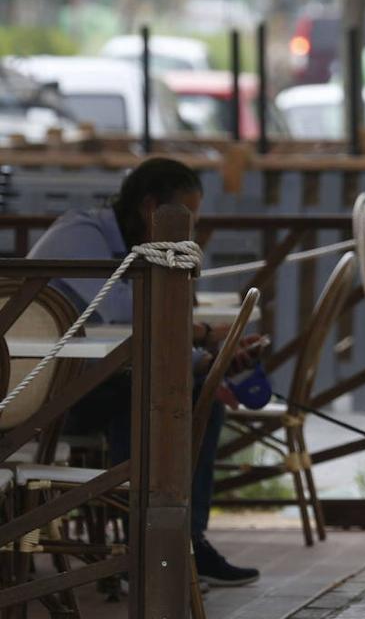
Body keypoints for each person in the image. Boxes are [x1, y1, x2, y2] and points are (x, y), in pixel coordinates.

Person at [28, 157, 262, 587]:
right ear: (150, 206)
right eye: (184, 219)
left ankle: (177, 543)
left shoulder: (133, 246)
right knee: (156, 395)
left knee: (191, 395)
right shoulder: (83, 235)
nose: (189, 233)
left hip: (89, 383)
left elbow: (133, 337)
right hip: (40, 398)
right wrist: (203, 337)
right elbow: (122, 319)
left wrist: (203, 359)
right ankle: (150, 552)